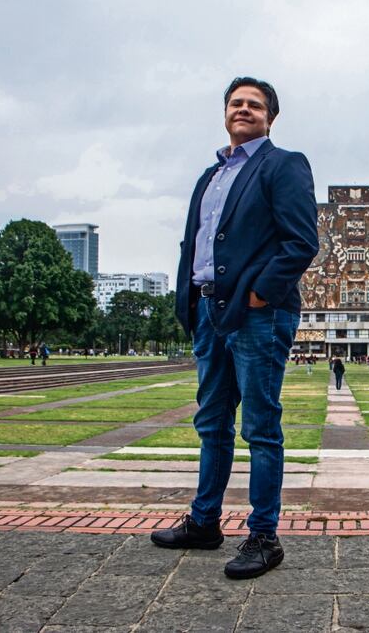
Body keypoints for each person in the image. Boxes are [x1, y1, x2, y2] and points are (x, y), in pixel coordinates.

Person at [151, 76, 318, 580]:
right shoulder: (211, 175)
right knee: (212, 422)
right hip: (207, 311)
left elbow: (301, 241)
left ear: (271, 116)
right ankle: (204, 523)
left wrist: (258, 294)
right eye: (236, 102)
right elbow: (195, 244)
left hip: (257, 313)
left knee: (260, 428)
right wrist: (188, 305)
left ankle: (264, 537)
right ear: (225, 112)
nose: (243, 109)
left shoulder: (283, 165)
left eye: (254, 104)